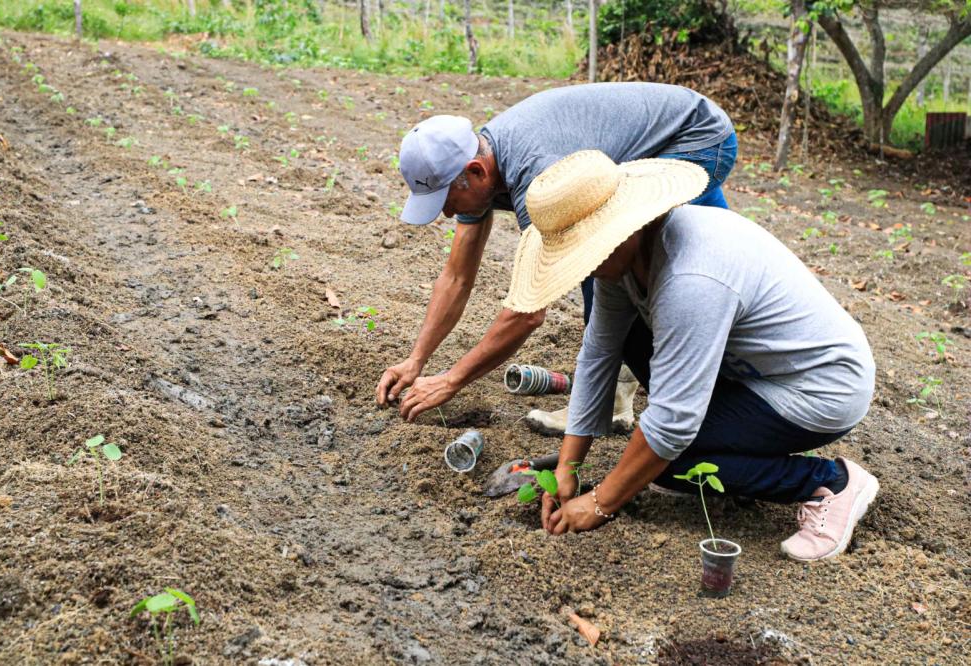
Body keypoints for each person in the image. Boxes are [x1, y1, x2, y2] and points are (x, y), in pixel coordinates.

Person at [502, 150, 877, 561]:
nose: (581, 266)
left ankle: (829, 482)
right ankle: (737, 451)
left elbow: (671, 425)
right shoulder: (622, 259)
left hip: (820, 387)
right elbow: (598, 356)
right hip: (750, 371)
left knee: (668, 463)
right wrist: (567, 470)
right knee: (632, 351)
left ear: (622, 227)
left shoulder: (691, 279)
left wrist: (600, 503)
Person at [376, 83, 737, 431]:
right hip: (656, 135)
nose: (449, 215)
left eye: (447, 202)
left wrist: (451, 380)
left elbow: (528, 312)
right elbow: (456, 277)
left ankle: (619, 399)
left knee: (606, 259)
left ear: (475, 172)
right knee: (713, 251)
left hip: (693, 137)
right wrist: (416, 360)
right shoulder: (478, 165)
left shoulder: (537, 173)